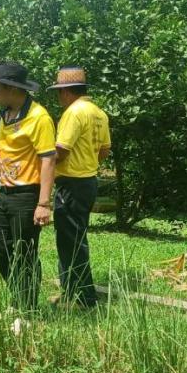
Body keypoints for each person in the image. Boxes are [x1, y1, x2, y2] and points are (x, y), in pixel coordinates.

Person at [0, 61, 55, 311]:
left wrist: (43, 203)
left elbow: (48, 159)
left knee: (26, 254)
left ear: (11, 89)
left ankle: (26, 309)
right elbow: (9, 151)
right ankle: (20, 296)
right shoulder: (6, 115)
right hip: (4, 193)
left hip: (27, 196)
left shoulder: (39, 118)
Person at [47, 67, 111, 308]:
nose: (58, 98)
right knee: (74, 238)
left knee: (71, 242)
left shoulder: (73, 113)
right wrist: (88, 163)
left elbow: (60, 150)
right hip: (88, 182)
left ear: (65, 92)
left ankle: (83, 298)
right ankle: (70, 292)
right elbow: (104, 150)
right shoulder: (98, 113)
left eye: (58, 93)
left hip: (71, 183)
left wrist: (42, 163)